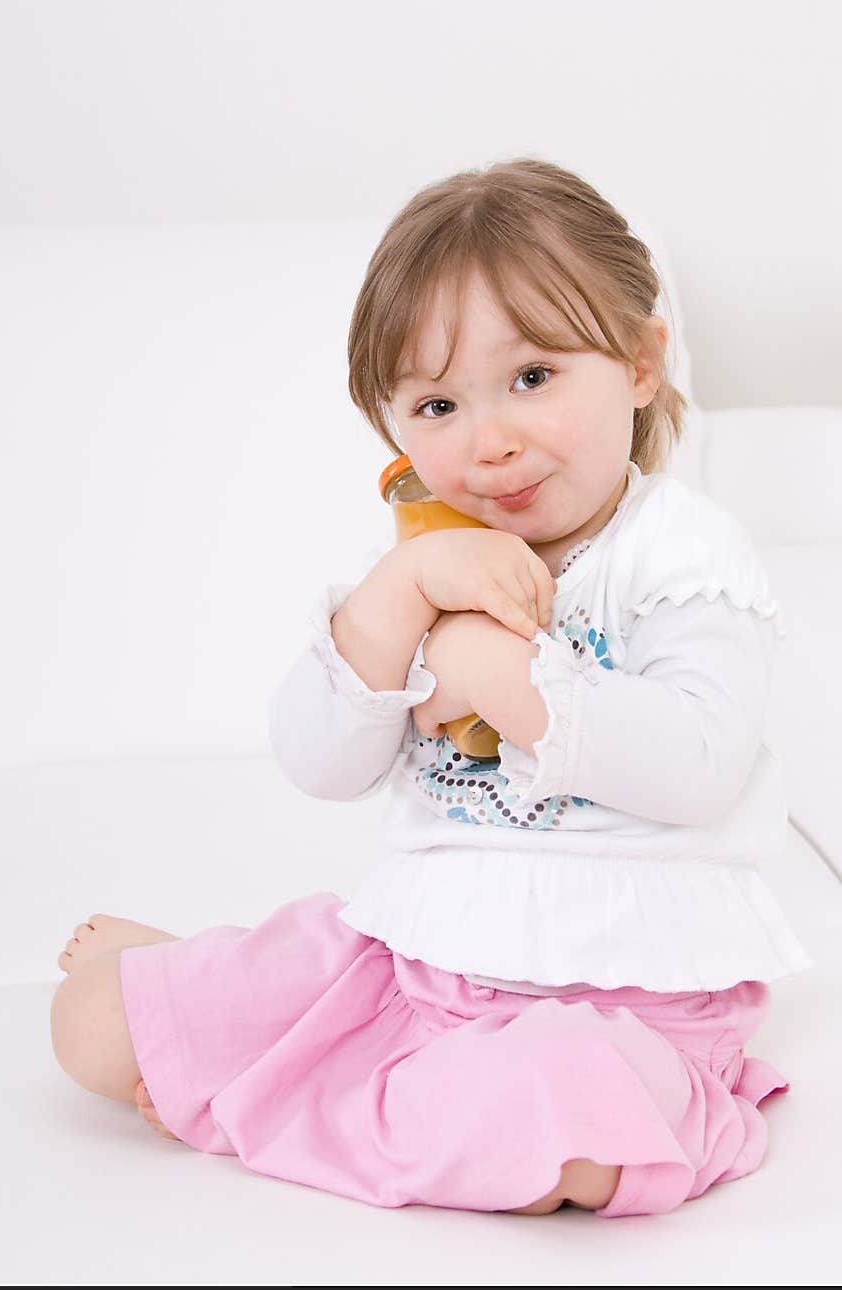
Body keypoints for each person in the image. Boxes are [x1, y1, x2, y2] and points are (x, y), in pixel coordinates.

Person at [50, 157, 813, 1218]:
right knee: (89, 1025)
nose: (488, 439)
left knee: (568, 1130)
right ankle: (259, 1021)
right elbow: (319, 762)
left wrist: (490, 667)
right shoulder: (420, 563)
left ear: (640, 362)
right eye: (437, 402)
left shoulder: (680, 554)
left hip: (622, 1007)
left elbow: (698, 764)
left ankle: (289, 1097)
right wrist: (399, 596)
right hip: (418, 967)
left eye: (533, 377)